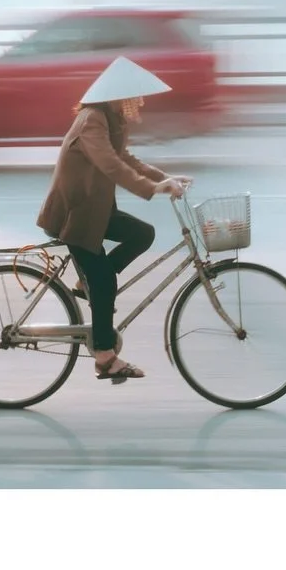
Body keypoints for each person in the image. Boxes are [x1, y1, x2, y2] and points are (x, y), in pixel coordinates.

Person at [35, 56, 192, 383]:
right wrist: (152, 188)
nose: (138, 102)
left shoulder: (110, 119)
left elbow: (125, 158)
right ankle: (105, 357)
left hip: (95, 210)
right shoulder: (93, 119)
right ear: (116, 94)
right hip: (74, 216)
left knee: (142, 234)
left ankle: (86, 284)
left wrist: (164, 177)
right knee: (106, 281)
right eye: (132, 95)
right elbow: (110, 164)